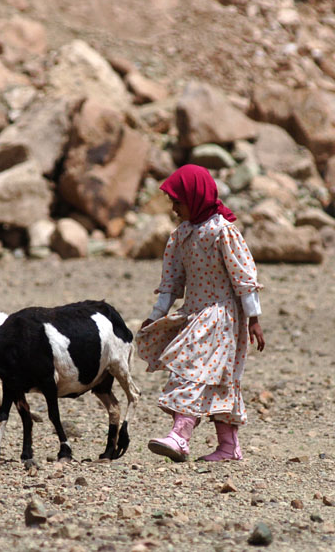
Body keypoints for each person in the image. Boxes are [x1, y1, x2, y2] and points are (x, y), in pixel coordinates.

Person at [136, 164, 265, 463]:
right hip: (194, 313)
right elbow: (171, 281)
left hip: (221, 316)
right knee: (215, 378)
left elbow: (243, 276)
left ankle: (180, 436)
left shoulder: (223, 231)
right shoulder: (181, 235)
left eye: (177, 202)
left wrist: (254, 319)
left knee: (191, 369)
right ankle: (228, 447)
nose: (173, 209)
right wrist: (157, 314)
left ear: (195, 197)